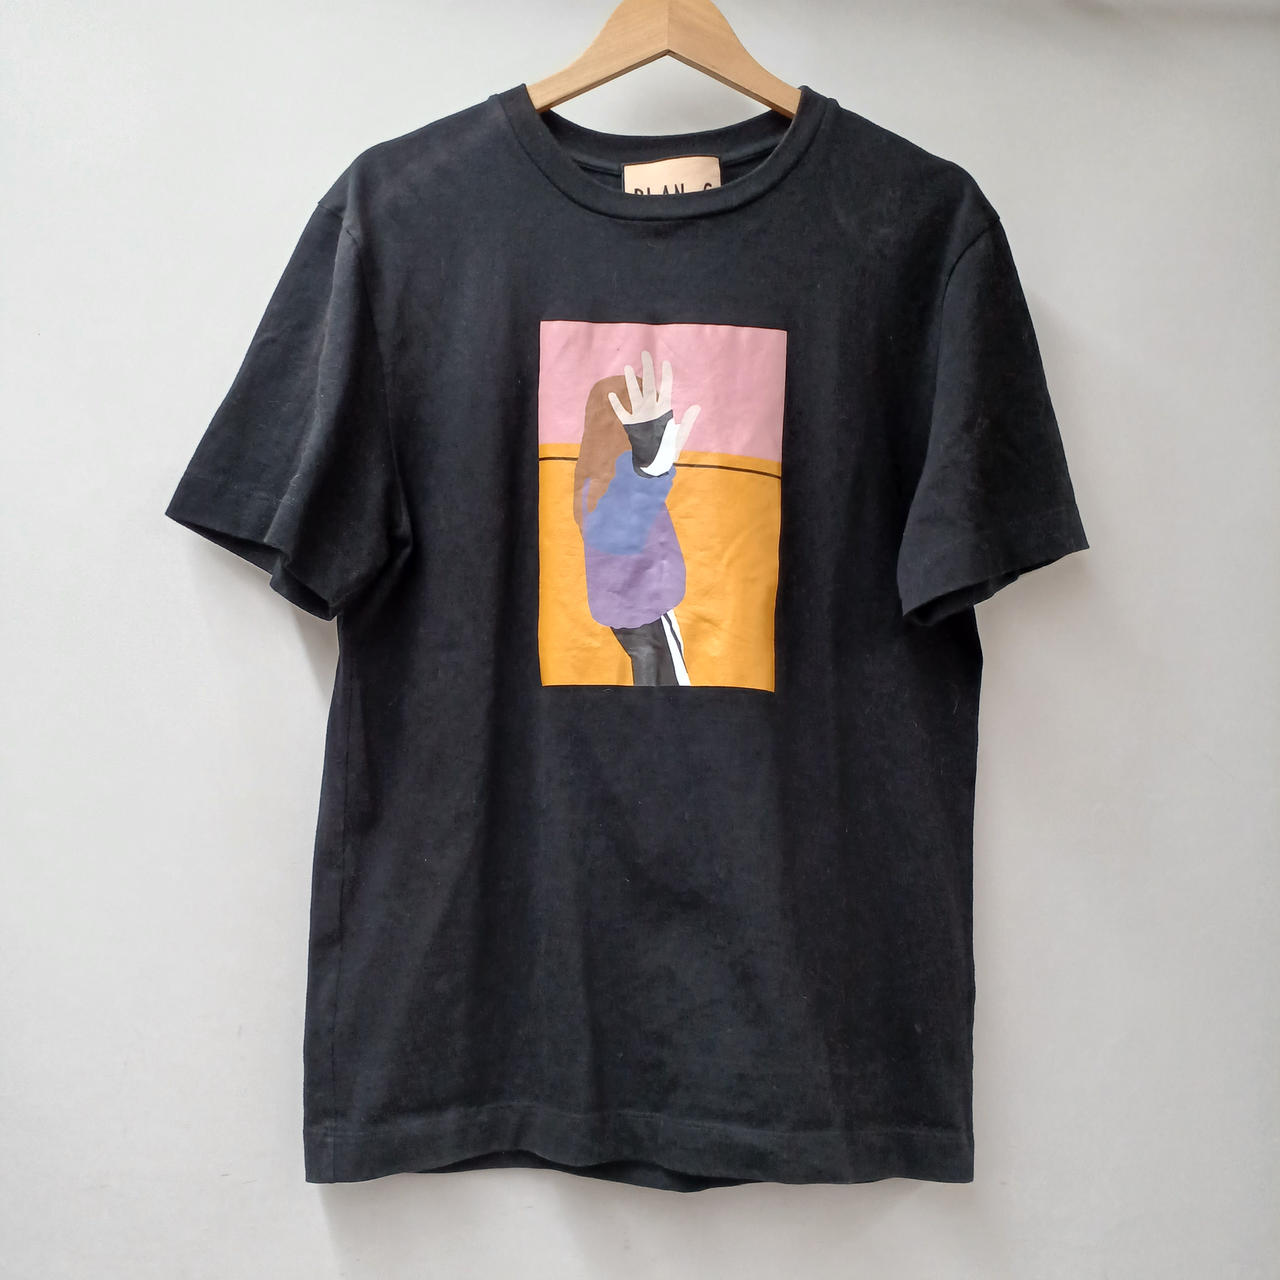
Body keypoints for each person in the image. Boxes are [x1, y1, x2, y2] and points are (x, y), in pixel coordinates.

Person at [571, 349, 701, 685]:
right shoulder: (612, 484)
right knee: (669, 684)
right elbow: (618, 527)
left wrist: (654, 469)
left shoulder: (595, 479)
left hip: (630, 606)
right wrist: (652, 469)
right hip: (645, 605)